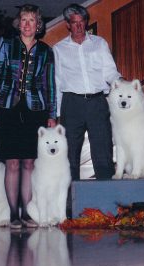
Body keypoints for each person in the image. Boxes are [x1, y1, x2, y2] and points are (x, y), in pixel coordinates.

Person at [0, 4, 57, 229]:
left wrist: (52, 114)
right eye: (24, 20)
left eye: (32, 20)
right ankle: (13, 213)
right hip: (8, 108)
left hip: (35, 111)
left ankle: (27, 212)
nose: (27, 24)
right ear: (19, 23)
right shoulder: (6, 45)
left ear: (38, 25)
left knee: (29, 162)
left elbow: (50, 85)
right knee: (12, 162)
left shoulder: (46, 51)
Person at [53, 3, 121, 181]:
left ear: (86, 23)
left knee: (103, 151)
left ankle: (106, 198)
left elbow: (110, 72)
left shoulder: (99, 43)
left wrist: (121, 84)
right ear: (68, 24)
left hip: (97, 103)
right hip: (71, 104)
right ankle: (70, 200)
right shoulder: (59, 49)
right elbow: (57, 82)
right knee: (70, 154)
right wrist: (58, 114)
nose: (79, 26)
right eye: (74, 23)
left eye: (82, 22)